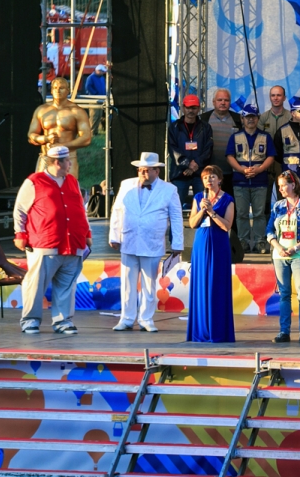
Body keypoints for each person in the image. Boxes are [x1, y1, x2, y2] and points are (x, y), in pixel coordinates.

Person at [13, 146, 92, 334]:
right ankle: (30, 320)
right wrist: (20, 234)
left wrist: (87, 234)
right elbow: (20, 210)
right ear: (58, 162)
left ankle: (63, 321)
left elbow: (81, 210)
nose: (70, 164)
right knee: (36, 283)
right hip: (45, 243)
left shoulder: (72, 181)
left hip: (73, 243)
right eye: (68, 161)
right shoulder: (34, 182)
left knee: (66, 286)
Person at [109, 152, 183, 332]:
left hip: (152, 241)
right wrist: (114, 235)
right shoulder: (126, 185)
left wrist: (177, 243)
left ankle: (146, 319)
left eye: (147, 170)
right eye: (141, 170)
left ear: (157, 171)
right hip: (129, 239)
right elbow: (117, 210)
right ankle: (126, 318)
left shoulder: (169, 189)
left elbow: (176, 216)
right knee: (127, 282)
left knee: (149, 283)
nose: (143, 174)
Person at [267, 170, 300, 343]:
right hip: (279, 255)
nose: (281, 189)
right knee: (284, 294)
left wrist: (296, 247)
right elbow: (269, 231)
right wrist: (278, 246)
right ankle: (284, 332)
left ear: (293, 185)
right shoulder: (278, 206)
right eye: (279, 186)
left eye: (284, 185)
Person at [186, 165, 236, 343]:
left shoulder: (228, 199)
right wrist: (201, 210)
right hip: (201, 244)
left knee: (216, 285)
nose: (209, 180)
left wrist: (212, 212)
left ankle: (217, 330)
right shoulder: (199, 197)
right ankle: (201, 330)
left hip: (218, 245)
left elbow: (227, 226)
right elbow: (192, 223)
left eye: (213, 177)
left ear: (220, 179)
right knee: (201, 285)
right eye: (206, 177)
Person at [226, 105, 276, 254]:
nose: (251, 120)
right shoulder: (235, 137)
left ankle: (261, 242)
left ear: (258, 118)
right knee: (241, 214)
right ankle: (243, 242)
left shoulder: (265, 137)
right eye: (247, 117)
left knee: (259, 213)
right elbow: (229, 156)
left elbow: (271, 156)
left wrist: (259, 169)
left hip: (260, 181)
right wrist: (241, 170)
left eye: (253, 117)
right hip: (240, 181)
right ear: (242, 119)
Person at [27, 77, 93, 179]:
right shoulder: (41, 110)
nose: (58, 91)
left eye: (61, 88)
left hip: (67, 157)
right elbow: (31, 136)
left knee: (68, 190)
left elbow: (86, 138)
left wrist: (62, 146)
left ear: (68, 90)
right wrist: (46, 139)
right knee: (42, 190)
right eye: (55, 88)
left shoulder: (77, 111)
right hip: (46, 157)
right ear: (51, 90)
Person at [168, 94, 213, 207]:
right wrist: (188, 164)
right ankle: (174, 226)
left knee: (203, 207)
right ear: (183, 108)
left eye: (194, 108)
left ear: (198, 109)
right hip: (180, 173)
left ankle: (202, 225)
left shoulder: (206, 127)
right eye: (188, 107)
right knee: (175, 209)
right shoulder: (174, 127)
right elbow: (173, 150)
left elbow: (208, 149)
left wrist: (195, 164)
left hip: (200, 173)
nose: (191, 111)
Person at [200, 88, 241, 194]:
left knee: (231, 205)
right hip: (210, 173)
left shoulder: (238, 119)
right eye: (220, 100)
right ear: (213, 102)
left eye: (226, 100)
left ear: (230, 102)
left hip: (232, 172)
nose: (223, 103)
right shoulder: (204, 119)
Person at [85, 64, 108, 134]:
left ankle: (95, 131)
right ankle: (92, 132)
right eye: (102, 71)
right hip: (94, 100)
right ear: (98, 70)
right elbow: (88, 87)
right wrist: (95, 94)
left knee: (99, 116)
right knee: (94, 116)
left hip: (101, 99)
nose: (103, 73)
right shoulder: (91, 77)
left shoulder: (101, 78)